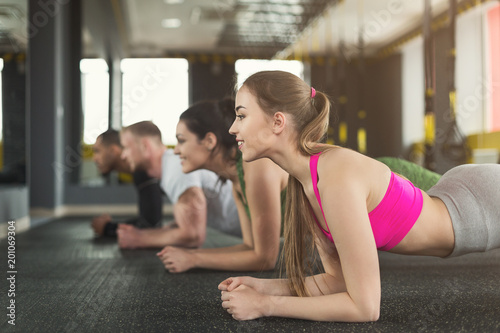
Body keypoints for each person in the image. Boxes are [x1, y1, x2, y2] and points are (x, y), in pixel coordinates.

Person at [218, 70, 500, 322]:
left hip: (482, 205)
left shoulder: (335, 177)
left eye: (241, 115)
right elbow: (337, 282)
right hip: (460, 194)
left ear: (277, 121)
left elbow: (365, 308)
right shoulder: (307, 182)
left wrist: (265, 305)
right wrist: (260, 286)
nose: (233, 128)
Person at [156, 99, 288, 273]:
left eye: (182, 141)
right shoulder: (236, 182)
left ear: (210, 141)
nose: (175, 151)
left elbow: (265, 259)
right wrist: (189, 255)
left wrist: (193, 258)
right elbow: (250, 248)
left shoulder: (256, 165)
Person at [118, 121, 240, 249]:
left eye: (126, 147)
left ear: (145, 146)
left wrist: (139, 238)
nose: (123, 155)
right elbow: (185, 224)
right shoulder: (171, 167)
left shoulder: (176, 167)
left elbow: (193, 235)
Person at [91, 129, 163, 237]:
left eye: (97, 151)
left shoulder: (142, 171)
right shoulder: (139, 173)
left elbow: (150, 225)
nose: (94, 158)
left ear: (113, 151)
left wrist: (108, 228)